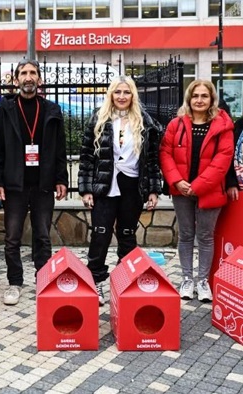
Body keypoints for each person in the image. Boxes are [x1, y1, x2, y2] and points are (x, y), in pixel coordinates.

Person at [0, 58, 68, 306]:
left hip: (43, 184)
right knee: (12, 236)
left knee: (42, 235)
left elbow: (60, 149)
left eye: (33, 72)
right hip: (14, 185)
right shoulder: (4, 110)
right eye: (24, 73)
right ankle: (14, 282)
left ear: (39, 79)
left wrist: (61, 178)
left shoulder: (52, 110)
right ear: (16, 79)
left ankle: (43, 279)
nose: (29, 77)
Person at [78, 76, 163, 306]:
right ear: (111, 95)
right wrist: (86, 189)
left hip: (132, 186)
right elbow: (86, 158)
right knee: (100, 234)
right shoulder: (99, 119)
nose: (122, 96)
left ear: (133, 95)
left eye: (126, 92)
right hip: (104, 186)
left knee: (127, 235)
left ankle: (124, 283)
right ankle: (95, 281)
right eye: (118, 92)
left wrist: (153, 190)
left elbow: (153, 160)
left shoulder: (145, 122)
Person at [159, 79, 234, 302]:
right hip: (181, 190)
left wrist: (197, 186)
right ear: (189, 98)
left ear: (211, 99)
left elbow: (223, 160)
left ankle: (202, 281)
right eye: (195, 96)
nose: (199, 100)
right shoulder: (176, 124)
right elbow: (165, 153)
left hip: (210, 190)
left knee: (205, 237)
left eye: (204, 96)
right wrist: (177, 181)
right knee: (185, 236)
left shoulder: (223, 126)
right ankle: (186, 279)